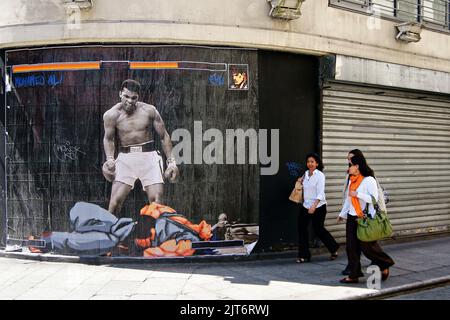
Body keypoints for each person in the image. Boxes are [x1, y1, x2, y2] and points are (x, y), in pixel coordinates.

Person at [102, 79, 179, 215]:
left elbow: (164, 136)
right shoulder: (111, 115)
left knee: (157, 203)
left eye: (134, 98)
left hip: (149, 157)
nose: (130, 101)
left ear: (138, 97)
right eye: (126, 96)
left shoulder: (149, 111)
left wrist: (172, 162)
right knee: (114, 204)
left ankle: (156, 235)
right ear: (120, 94)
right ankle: (110, 235)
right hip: (126, 158)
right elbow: (109, 139)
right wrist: (109, 159)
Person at [337, 153, 394, 283]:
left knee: (367, 247)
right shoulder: (352, 179)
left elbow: (373, 199)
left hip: (365, 218)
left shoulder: (369, 180)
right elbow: (348, 199)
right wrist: (342, 214)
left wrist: (358, 194)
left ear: (357, 166)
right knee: (351, 247)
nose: (348, 168)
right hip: (352, 216)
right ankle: (354, 274)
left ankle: (385, 263)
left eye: (350, 165)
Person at [297, 153, 339, 263]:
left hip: (318, 206)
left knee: (318, 229)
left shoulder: (320, 175)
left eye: (312, 161)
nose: (310, 164)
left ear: (317, 163)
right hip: (306, 205)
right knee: (302, 229)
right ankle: (304, 255)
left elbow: (320, 194)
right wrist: (299, 181)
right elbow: (301, 185)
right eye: (308, 162)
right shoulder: (305, 174)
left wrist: (314, 206)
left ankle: (333, 248)